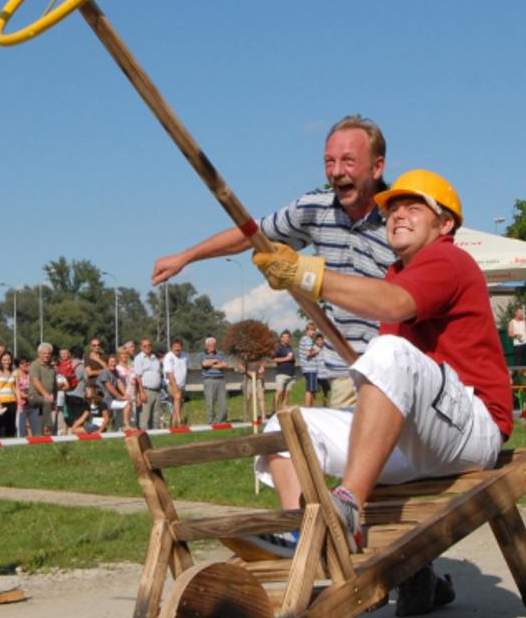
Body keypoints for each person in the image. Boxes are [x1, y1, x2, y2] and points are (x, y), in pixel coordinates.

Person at [251, 170, 513, 617]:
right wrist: (302, 280)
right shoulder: (396, 272)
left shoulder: (450, 262)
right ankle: (308, 535)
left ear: (444, 224)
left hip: (474, 429)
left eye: (414, 207)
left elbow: (394, 306)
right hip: (422, 435)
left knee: (390, 350)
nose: (398, 216)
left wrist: (306, 274)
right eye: (392, 208)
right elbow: (388, 305)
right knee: (285, 427)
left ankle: (347, 510)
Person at [153, 115, 398, 408]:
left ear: (377, 167)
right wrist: (187, 256)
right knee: (349, 452)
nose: (335, 171)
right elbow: (251, 234)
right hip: (346, 369)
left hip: (395, 366)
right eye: (328, 161)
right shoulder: (315, 209)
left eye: (348, 161)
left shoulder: (401, 219)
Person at [133, 338, 164, 430]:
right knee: (144, 418)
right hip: (146, 390)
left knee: (156, 418)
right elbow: (138, 377)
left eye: (149, 345)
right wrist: (141, 392)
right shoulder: (138, 358)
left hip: (157, 391)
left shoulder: (155, 358)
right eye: (145, 346)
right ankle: (144, 439)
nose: (147, 347)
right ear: (141, 347)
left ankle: (156, 437)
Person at [26, 343, 56, 436]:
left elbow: (54, 385)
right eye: (44, 353)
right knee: (46, 402)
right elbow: (36, 382)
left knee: (45, 408)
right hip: (34, 395)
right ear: (39, 354)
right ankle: (48, 428)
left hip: (47, 396)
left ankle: (40, 435)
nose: (46, 355)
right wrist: (46, 394)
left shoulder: (52, 368)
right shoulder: (35, 365)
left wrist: (53, 395)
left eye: (48, 353)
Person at [199, 337, 228, 424]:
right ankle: (211, 421)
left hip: (221, 380)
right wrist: (216, 361)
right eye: (210, 345)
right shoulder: (202, 355)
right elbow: (204, 363)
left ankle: (222, 420)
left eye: (213, 345)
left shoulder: (221, 354)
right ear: (206, 346)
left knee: (223, 402)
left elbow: (225, 365)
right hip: (209, 380)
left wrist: (211, 365)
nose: (212, 346)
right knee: (210, 402)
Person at [162, 338, 189, 426]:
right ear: (171, 348)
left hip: (182, 384)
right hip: (171, 383)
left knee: (178, 404)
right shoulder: (169, 356)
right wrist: (175, 387)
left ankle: (174, 424)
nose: (177, 348)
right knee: (177, 397)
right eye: (175, 347)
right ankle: (179, 419)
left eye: (179, 346)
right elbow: (169, 373)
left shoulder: (184, 355)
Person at [272, 330, 296, 412]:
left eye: (288, 337)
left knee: (287, 393)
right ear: (281, 338)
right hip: (281, 374)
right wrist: (286, 358)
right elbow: (274, 359)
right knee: (279, 391)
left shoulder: (290, 348)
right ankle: (274, 410)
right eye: (284, 337)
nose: (286, 338)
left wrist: (292, 359)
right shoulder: (278, 348)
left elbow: (292, 359)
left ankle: (283, 410)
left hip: (290, 374)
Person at [297, 322, 320, 408]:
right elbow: (307, 353)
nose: (313, 332)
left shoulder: (307, 339)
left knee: (311, 389)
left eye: (314, 330)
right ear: (307, 331)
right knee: (309, 390)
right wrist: (316, 351)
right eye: (311, 330)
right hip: (309, 368)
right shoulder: (307, 339)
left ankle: (310, 408)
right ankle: (308, 410)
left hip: (309, 368)